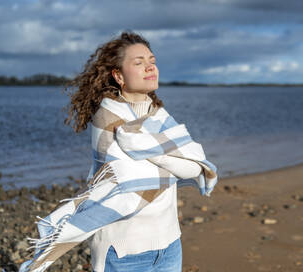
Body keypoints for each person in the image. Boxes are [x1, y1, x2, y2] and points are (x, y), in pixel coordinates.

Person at [63, 31, 204, 272]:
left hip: (169, 243)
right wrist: (170, 158)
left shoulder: (160, 116)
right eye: (139, 63)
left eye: (152, 61)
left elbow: (195, 166)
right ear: (118, 75)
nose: (150, 67)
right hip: (123, 251)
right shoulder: (106, 118)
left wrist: (150, 152)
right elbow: (130, 179)